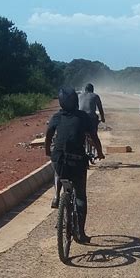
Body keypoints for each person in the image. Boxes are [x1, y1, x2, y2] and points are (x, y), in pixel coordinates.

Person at [45, 87, 104, 243]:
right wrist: (100, 152)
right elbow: (94, 137)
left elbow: (48, 136)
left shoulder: (56, 117)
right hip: (78, 161)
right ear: (76, 101)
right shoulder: (83, 117)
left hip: (60, 160)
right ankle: (81, 233)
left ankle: (58, 197)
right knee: (80, 197)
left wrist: (47, 152)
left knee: (58, 171)